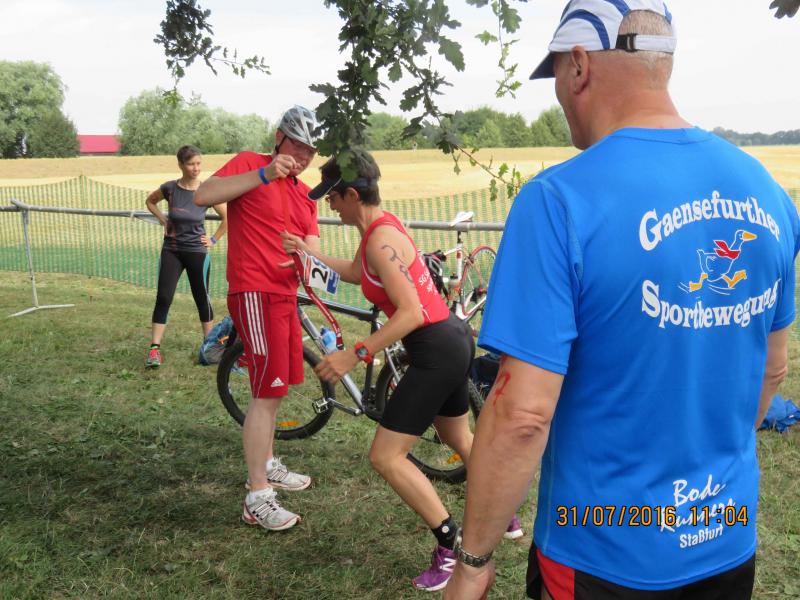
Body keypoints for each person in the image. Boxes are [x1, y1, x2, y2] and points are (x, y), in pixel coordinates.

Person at [445, 2, 800, 599]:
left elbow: (522, 415)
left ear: (579, 66)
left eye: (556, 73)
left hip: (602, 554)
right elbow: (773, 368)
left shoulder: (558, 201)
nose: (559, 94)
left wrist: (474, 559)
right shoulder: (766, 191)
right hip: (727, 538)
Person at [281, 148, 523, 592]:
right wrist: (309, 254)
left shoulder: (380, 239)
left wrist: (355, 353)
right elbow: (356, 273)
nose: (329, 204)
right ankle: (502, 513)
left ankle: (450, 547)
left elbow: (410, 312)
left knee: (385, 456)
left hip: (435, 349)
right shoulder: (378, 227)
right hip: (451, 339)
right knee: (455, 436)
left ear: (352, 195)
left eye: (332, 196)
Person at [194, 105, 321, 532]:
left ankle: (267, 463)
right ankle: (257, 495)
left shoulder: (305, 194)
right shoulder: (251, 164)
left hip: (286, 295)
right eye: (297, 146)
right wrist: (264, 174)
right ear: (279, 138)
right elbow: (203, 195)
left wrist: (304, 252)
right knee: (266, 392)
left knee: (275, 387)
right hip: (254, 291)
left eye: (310, 151)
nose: (302, 157)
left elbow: (313, 247)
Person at [144, 145, 227, 368]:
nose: (196, 168)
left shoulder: (206, 190)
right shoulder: (170, 188)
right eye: (191, 164)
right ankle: (154, 349)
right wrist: (162, 219)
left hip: (197, 253)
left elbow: (227, 217)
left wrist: (213, 239)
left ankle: (209, 347)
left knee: (202, 299)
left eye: (198, 163)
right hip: (171, 250)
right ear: (180, 165)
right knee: (163, 297)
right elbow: (150, 201)